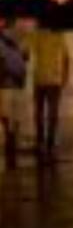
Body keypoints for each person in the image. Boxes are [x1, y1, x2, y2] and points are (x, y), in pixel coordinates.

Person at [30, 23, 70, 162]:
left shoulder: (37, 35)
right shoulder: (59, 36)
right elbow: (66, 58)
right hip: (53, 80)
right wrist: (65, 76)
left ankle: (41, 142)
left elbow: (27, 53)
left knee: (40, 113)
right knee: (52, 114)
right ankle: (50, 142)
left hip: (40, 80)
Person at [0, 20, 28, 169]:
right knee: (13, 114)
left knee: (7, 113)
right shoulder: (20, 38)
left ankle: (10, 137)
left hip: (7, 83)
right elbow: (25, 57)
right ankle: (12, 137)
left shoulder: (7, 40)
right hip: (15, 83)